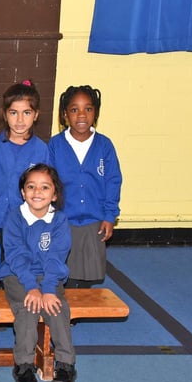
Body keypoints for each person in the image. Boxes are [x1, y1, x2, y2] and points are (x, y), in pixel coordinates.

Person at [0, 164, 76, 382]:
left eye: (44, 187)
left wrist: (49, 290)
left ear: (54, 194)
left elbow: (56, 257)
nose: (37, 192)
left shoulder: (59, 221)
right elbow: (16, 255)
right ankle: (23, 364)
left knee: (57, 307)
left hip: (50, 276)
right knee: (28, 308)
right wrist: (32, 287)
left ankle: (65, 362)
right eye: (31, 187)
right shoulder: (14, 218)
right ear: (23, 192)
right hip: (18, 276)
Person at [48, 85, 122, 288]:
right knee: (65, 269)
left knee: (88, 270)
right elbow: (48, 181)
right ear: (65, 115)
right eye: (74, 109)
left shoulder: (104, 145)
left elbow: (113, 180)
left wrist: (109, 215)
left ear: (95, 113)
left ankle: (79, 304)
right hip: (64, 218)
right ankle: (64, 311)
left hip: (94, 218)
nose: (81, 115)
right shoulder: (55, 145)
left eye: (88, 109)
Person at [0, 80, 49, 232]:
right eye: (13, 113)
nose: (20, 120)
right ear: (4, 114)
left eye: (27, 113)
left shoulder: (41, 150)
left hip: (26, 227)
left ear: (36, 115)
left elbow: (47, 191)